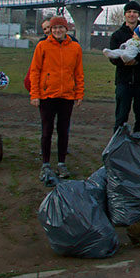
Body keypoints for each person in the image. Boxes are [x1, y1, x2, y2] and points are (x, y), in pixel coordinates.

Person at [28, 16, 84, 185]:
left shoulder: (75, 47)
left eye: (61, 27)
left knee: (63, 130)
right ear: (50, 30)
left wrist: (79, 93)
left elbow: (78, 73)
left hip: (67, 95)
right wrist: (35, 94)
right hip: (47, 95)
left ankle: (61, 163)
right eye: (54, 28)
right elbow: (35, 71)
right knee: (47, 130)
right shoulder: (42, 46)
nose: (58, 31)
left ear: (67, 29)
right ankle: (45, 163)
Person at [108, 0, 140, 132]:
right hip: (123, 81)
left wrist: (136, 60)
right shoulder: (117, 35)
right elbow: (113, 57)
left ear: (138, 15)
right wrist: (124, 61)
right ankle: (118, 145)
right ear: (125, 14)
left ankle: (138, 144)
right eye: (129, 12)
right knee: (121, 117)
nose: (132, 15)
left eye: (135, 12)